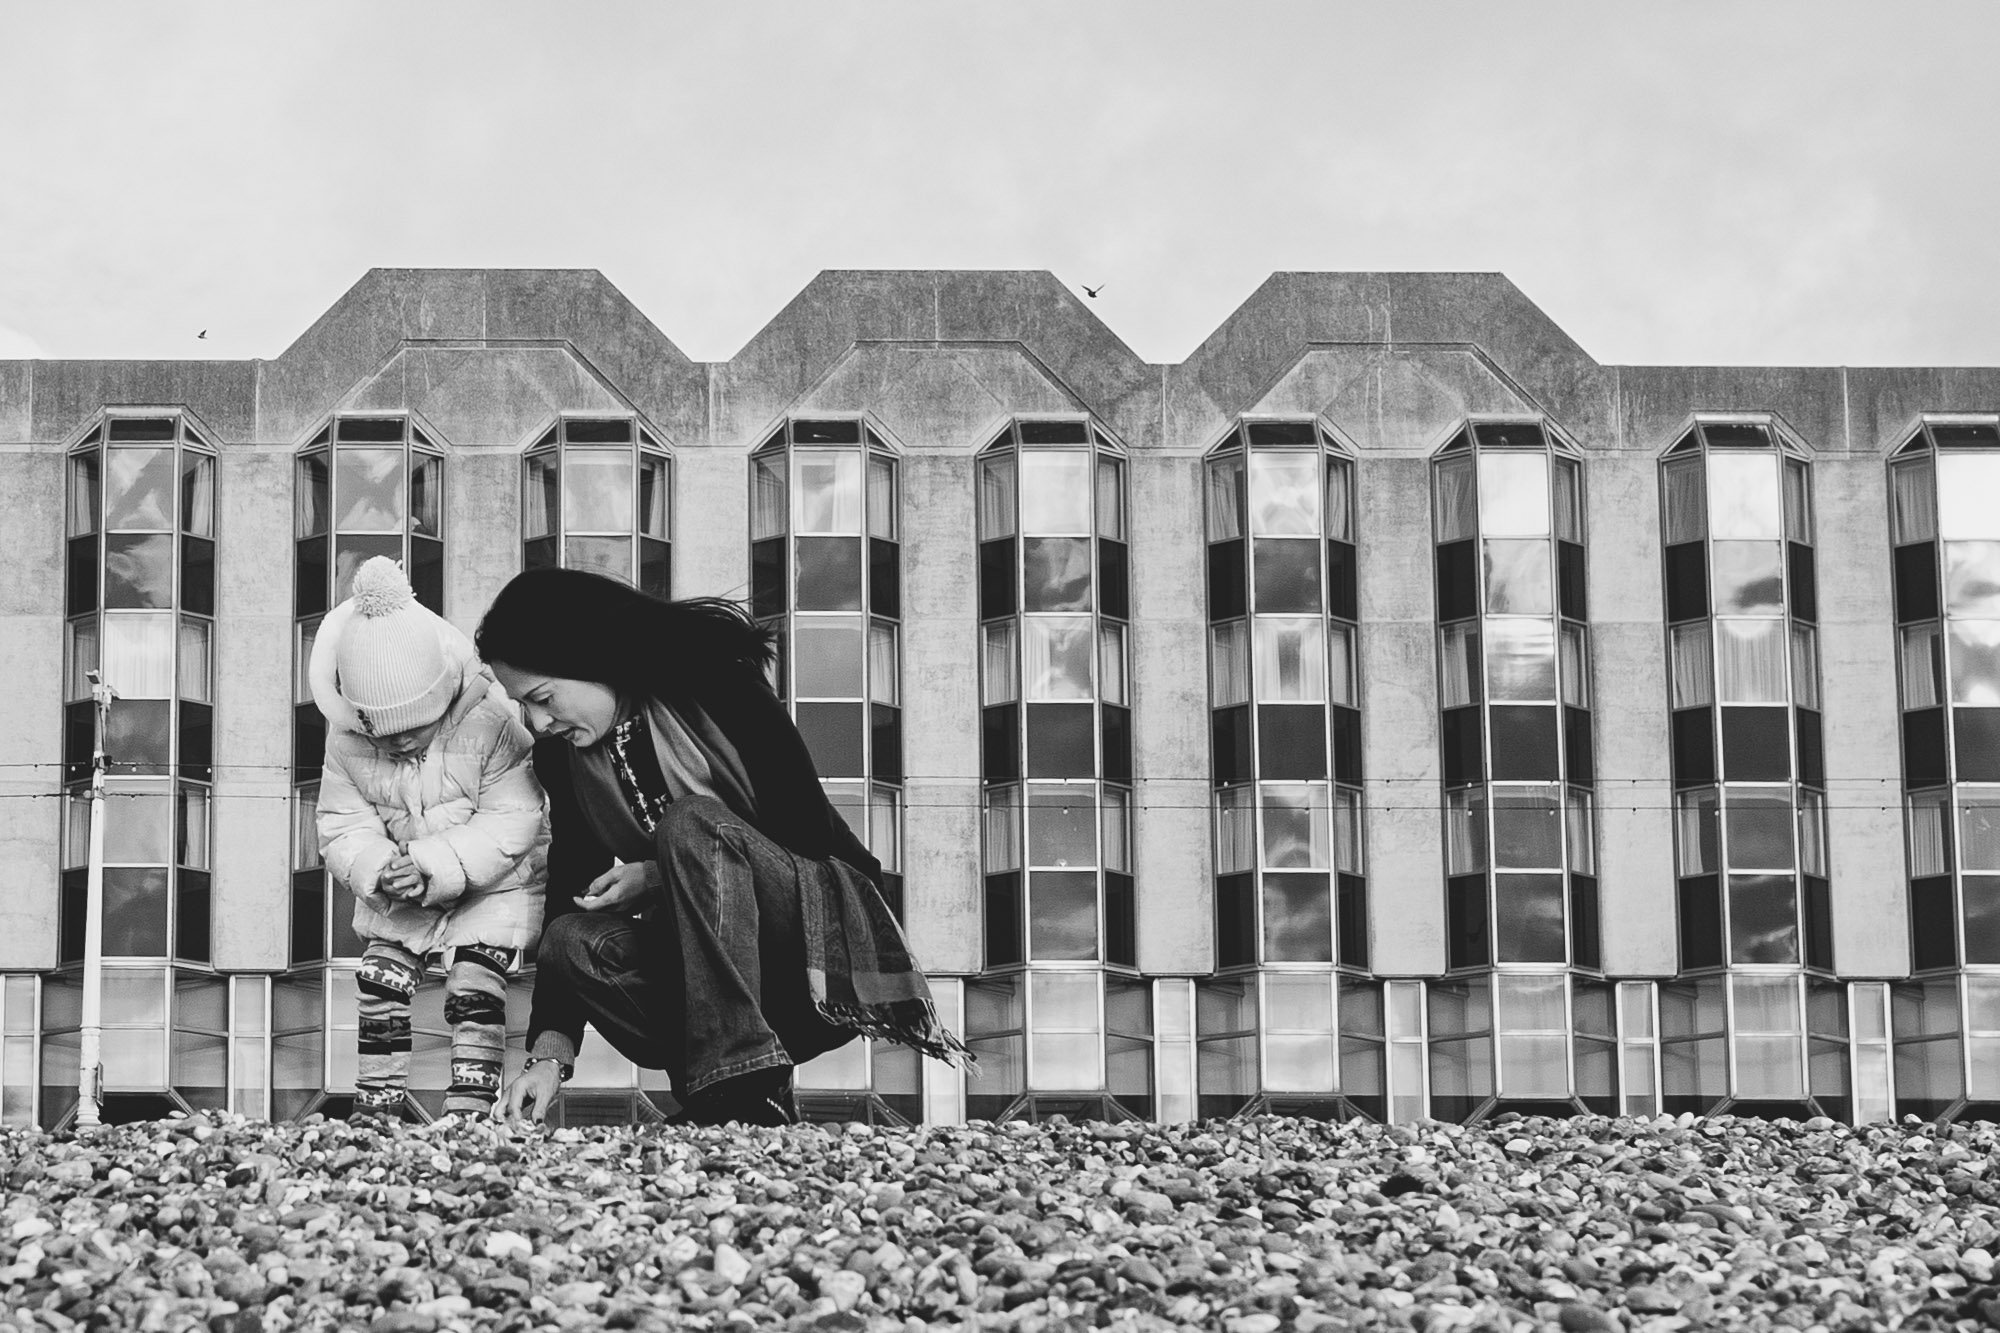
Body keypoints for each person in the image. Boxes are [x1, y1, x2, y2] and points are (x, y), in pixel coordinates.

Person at [474, 567, 970, 1126]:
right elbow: (568, 892)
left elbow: (803, 829)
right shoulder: (564, 761)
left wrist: (656, 873)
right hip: (702, 967)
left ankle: (740, 1085)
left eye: (543, 698)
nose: (538, 723)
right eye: (523, 708)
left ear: (593, 660)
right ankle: (733, 1093)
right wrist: (548, 1058)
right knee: (570, 941)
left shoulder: (714, 684)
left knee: (690, 824)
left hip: (810, 940)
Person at [313, 556, 549, 1119]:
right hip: (403, 891)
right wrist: (376, 868)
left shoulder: (491, 721)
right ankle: (377, 1102)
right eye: (381, 732)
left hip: (494, 890)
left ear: (441, 697)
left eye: (412, 729)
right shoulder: (346, 742)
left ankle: (469, 1105)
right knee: (378, 977)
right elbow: (342, 822)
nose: (397, 744)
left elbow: (514, 817)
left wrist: (430, 864)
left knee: (473, 983)